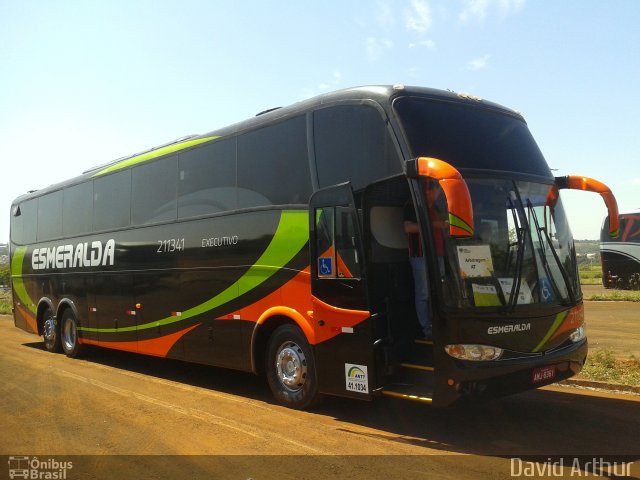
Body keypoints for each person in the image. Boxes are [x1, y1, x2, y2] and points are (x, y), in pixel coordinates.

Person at [403, 182, 447, 339]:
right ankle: (427, 328)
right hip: (420, 254)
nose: (439, 194)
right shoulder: (413, 205)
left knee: (438, 291)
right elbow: (408, 228)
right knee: (423, 293)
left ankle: (437, 324)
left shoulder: (437, 208)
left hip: (438, 255)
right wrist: (436, 225)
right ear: (428, 190)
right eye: (438, 190)